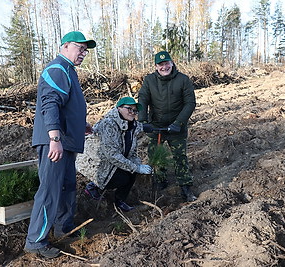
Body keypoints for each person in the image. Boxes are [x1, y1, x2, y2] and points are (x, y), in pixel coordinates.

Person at [24, 31, 96, 259]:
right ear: (65, 46)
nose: (83, 53)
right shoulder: (57, 68)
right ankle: (35, 241)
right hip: (55, 142)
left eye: (86, 50)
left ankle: (64, 228)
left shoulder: (68, 70)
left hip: (65, 141)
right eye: (79, 48)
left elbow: (66, 105)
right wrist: (54, 138)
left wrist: (78, 124)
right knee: (50, 191)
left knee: (67, 187)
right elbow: (50, 104)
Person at [138, 51, 197, 202]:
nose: (164, 67)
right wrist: (143, 121)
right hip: (156, 126)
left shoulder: (183, 80)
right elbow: (143, 99)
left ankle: (186, 187)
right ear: (156, 66)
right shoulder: (149, 80)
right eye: (160, 65)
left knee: (180, 157)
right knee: (156, 157)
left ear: (172, 63)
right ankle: (160, 182)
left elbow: (190, 103)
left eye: (166, 63)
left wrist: (178, 123)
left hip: (177, 126)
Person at [80, 97, 152, 212]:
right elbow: (112, 155)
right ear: (119, 108)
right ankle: (93, 186)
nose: (132, 113)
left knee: (132, 174)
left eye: (135, 110)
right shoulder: (109, 124)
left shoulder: (132, 126)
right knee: (123, 178)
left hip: (112, 162)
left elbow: (131, 151)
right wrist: (136, 167)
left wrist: (137, 165)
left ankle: (120, 202)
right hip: (96, 163)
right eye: (129, 109)